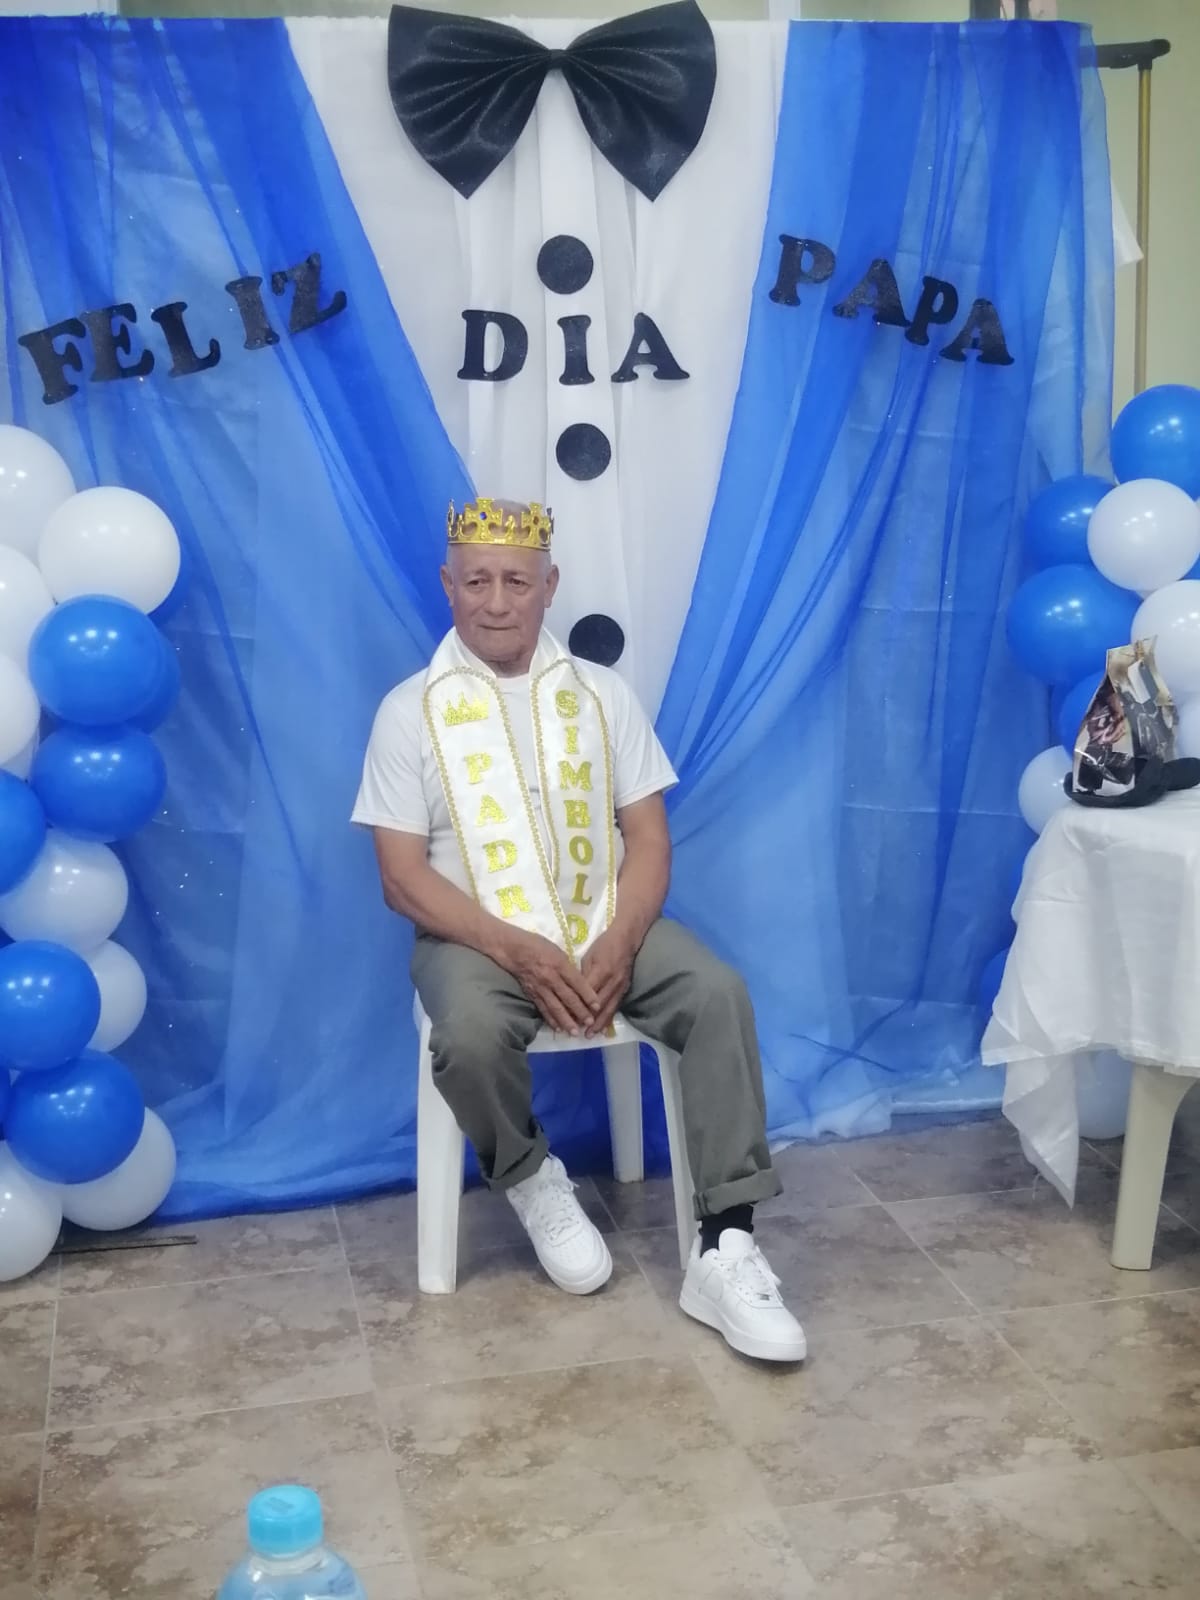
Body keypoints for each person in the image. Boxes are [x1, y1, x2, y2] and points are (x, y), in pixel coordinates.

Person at [353, 496, 805, 1362]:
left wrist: (622, 939)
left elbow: (650, 839)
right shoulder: (407, 712)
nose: (495, 602)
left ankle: (727, 1246)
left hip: (603, 917)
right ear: (447, 585)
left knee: (716, 993)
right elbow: (401, 879)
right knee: (468, 1035)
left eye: (516, 582)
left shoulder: (602, 697)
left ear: (550, 586)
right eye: (476, 582)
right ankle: (531, 1177)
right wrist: (514, 948)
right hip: (473, 935)